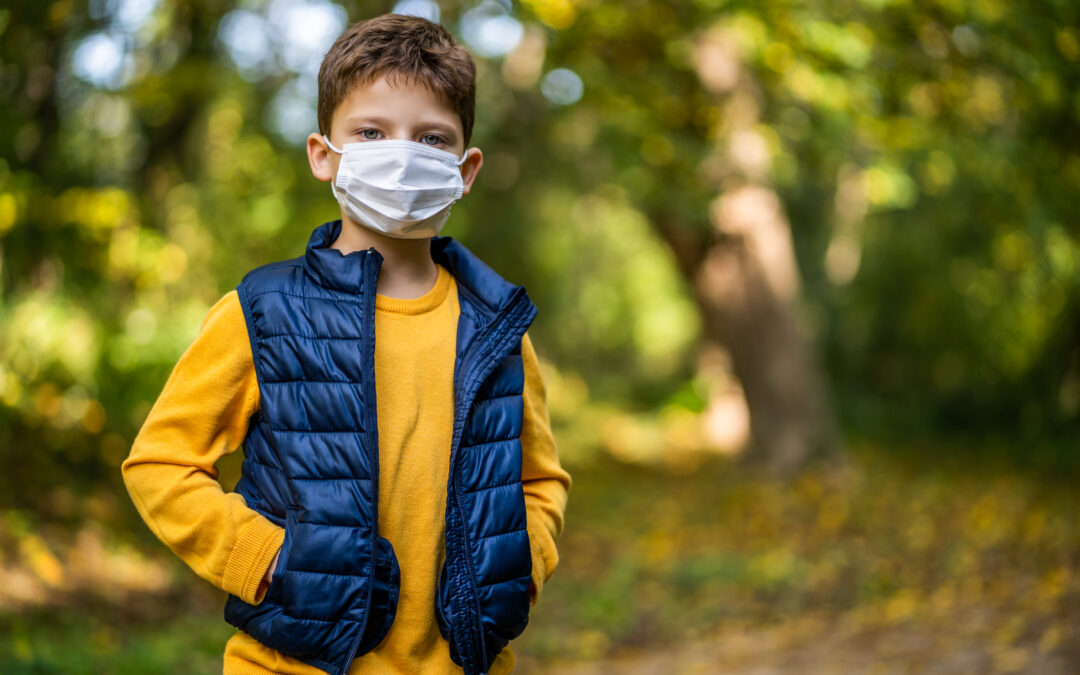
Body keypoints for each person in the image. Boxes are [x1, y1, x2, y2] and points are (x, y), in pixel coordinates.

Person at [121, 13, 570, 675]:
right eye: (371, 131)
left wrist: (523, 565)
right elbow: (160, 463)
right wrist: (263, 561)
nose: (402, 153)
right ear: (322, 154)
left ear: (466, 168)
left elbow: (539, 478)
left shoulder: (495, 326)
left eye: (432, 138)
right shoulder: (263, 312)